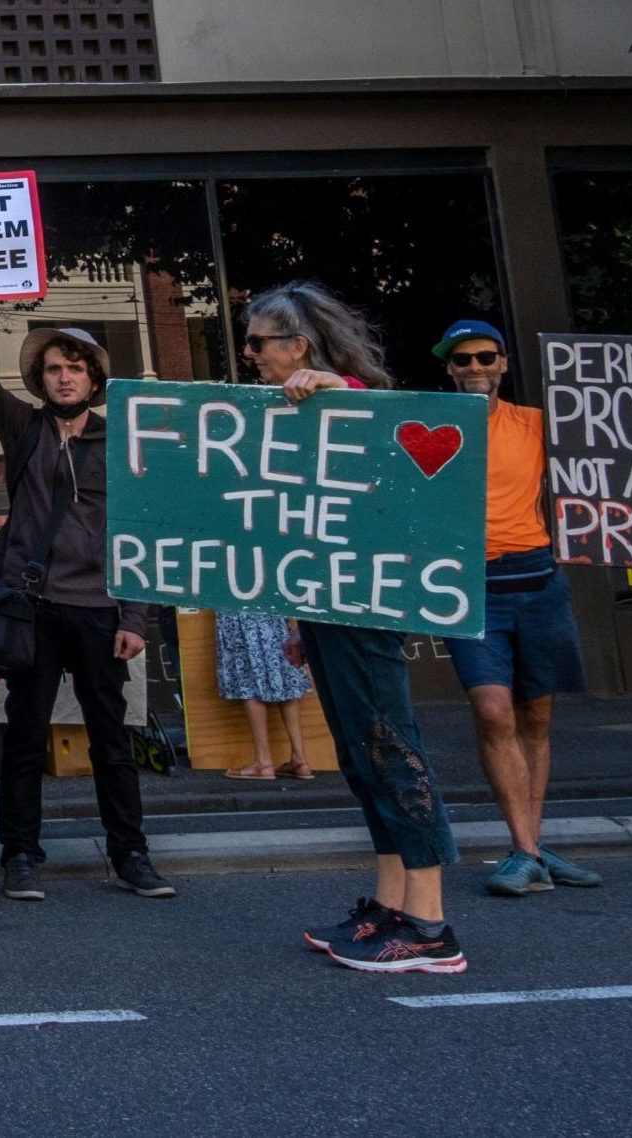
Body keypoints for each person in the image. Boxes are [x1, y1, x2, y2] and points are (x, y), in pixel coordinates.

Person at [0, 234, 175, 902]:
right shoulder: (24, 428)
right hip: (30, 608)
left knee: (111, 743)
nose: (64, 376)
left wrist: (134, 617)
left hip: (98, 610)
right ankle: (20, 855)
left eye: (75, 368)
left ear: (94, 378)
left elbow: (138, 533)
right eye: (54, 369)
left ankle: (130, 854)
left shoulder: (122, 438)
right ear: (40, 380)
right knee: (24, 739)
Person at [248, 282, 467, 974]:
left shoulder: (341, 401)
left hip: (365, 612)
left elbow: (377, 466)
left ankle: (430, 928)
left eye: (257, 342)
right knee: (359, 758)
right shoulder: (297, 412)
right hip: (325, 610)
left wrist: (332, 388)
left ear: (297, 347)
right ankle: (390, 905)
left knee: (390, 750)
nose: (249, 354)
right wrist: (296, 618)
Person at [432, 318, 597, 898]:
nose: (475, 368)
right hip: (468, 589)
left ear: (503, 363)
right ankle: (525, 850)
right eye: (462, 360)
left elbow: (604, 469)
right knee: (494, 712)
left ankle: (530, 846)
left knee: (536, 716)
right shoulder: (429, 425)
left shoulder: (538, 425)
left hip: (539, 582)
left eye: (485, 357)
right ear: (448, 369)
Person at [215, 612, 315, 781]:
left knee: (249, 682)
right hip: (271, 609)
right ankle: (300, 761)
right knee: (285, 679)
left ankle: (263, 763)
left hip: (238, 609)